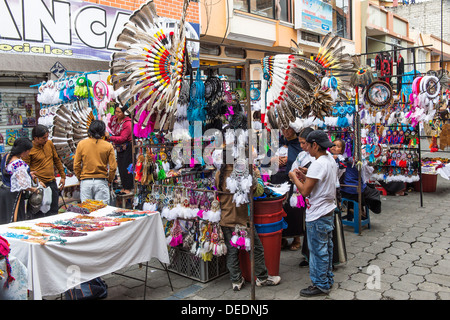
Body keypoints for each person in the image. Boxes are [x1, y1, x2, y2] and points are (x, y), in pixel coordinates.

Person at [215, 150, 281, 291]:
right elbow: (258, 191)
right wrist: (256, 174)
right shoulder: (242, 172)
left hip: (226, 218)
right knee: (256, 249)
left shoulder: (219, 173)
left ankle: (236, 281)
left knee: (232, 252)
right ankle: (262, 278)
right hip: (243, 219)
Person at [289, 130, 337, 297]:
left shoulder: (318, 163)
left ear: (315, 145)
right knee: (326, 248)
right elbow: (316, 181)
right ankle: (327, 278)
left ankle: (320, 284)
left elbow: (304, 191)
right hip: (327, 210)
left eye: (308, 146)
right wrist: (304, 174)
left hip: (318, 214)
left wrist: (294, 177)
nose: (306, 149)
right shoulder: (329, 159)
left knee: (318, 251)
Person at [22, 125, 66, 218]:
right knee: (38, 214)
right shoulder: (29, 149)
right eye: (43, 138)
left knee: (53, 212)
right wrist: (35, 181)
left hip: (52, 183)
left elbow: (56, 160)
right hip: (39, 186)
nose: (46, 139)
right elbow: (26, 170)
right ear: (35, 138)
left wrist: (63, 176)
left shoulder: (49, 144)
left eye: (47, 137)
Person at [271, 126, 302, 250]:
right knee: (281, 208)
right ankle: (283, 237)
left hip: (293, 180)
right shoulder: (279, 144)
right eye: (283, 129)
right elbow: (267, 159)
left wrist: (288, 160)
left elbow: (301, 159)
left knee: (293, 209)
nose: (286, 131)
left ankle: (296, 237)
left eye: (288, 129)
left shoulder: (299, 145)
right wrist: (275, 159)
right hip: (278, 179)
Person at [74, 120, 117, 205]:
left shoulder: (81, 144)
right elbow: (113, 167)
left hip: (86, 181)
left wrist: (80, 178)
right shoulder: (108, 146)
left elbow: (76, 165)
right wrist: (110, 180)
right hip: (101, 181)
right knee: (102, 212)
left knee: (87, 211)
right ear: (103, 131)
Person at [289, 127, 314, 265]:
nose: (301, 146)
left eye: (304, 143)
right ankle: (308, 255)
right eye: (300, 143)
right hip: (305, 194)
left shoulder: (320, 157)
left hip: (316, 197)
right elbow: (294, 168)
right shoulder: (301, 156)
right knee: (307, 225)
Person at [0, 138, 38, 224]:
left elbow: (10, 174)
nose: (29, 153)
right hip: (13, 196)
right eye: (29, 151)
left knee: (4, 218)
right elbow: (23, 185)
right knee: (14, 220)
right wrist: (33, 189)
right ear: (24, 151)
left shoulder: (6, 156)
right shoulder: (19, 163)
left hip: (4, 191)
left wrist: (28, 175)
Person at [105, 103, 133, 194]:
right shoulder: (114, 119)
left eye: (119, 112)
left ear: (124, 113)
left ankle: (128, 188)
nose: (116, 113)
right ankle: (124, 186)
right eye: (116, 111)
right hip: (119, 147)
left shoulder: (128, 123)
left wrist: (109, 137)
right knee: (121, 167)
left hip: (127, 147)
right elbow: (109, 125)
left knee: (127, 167)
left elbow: (123, 138)